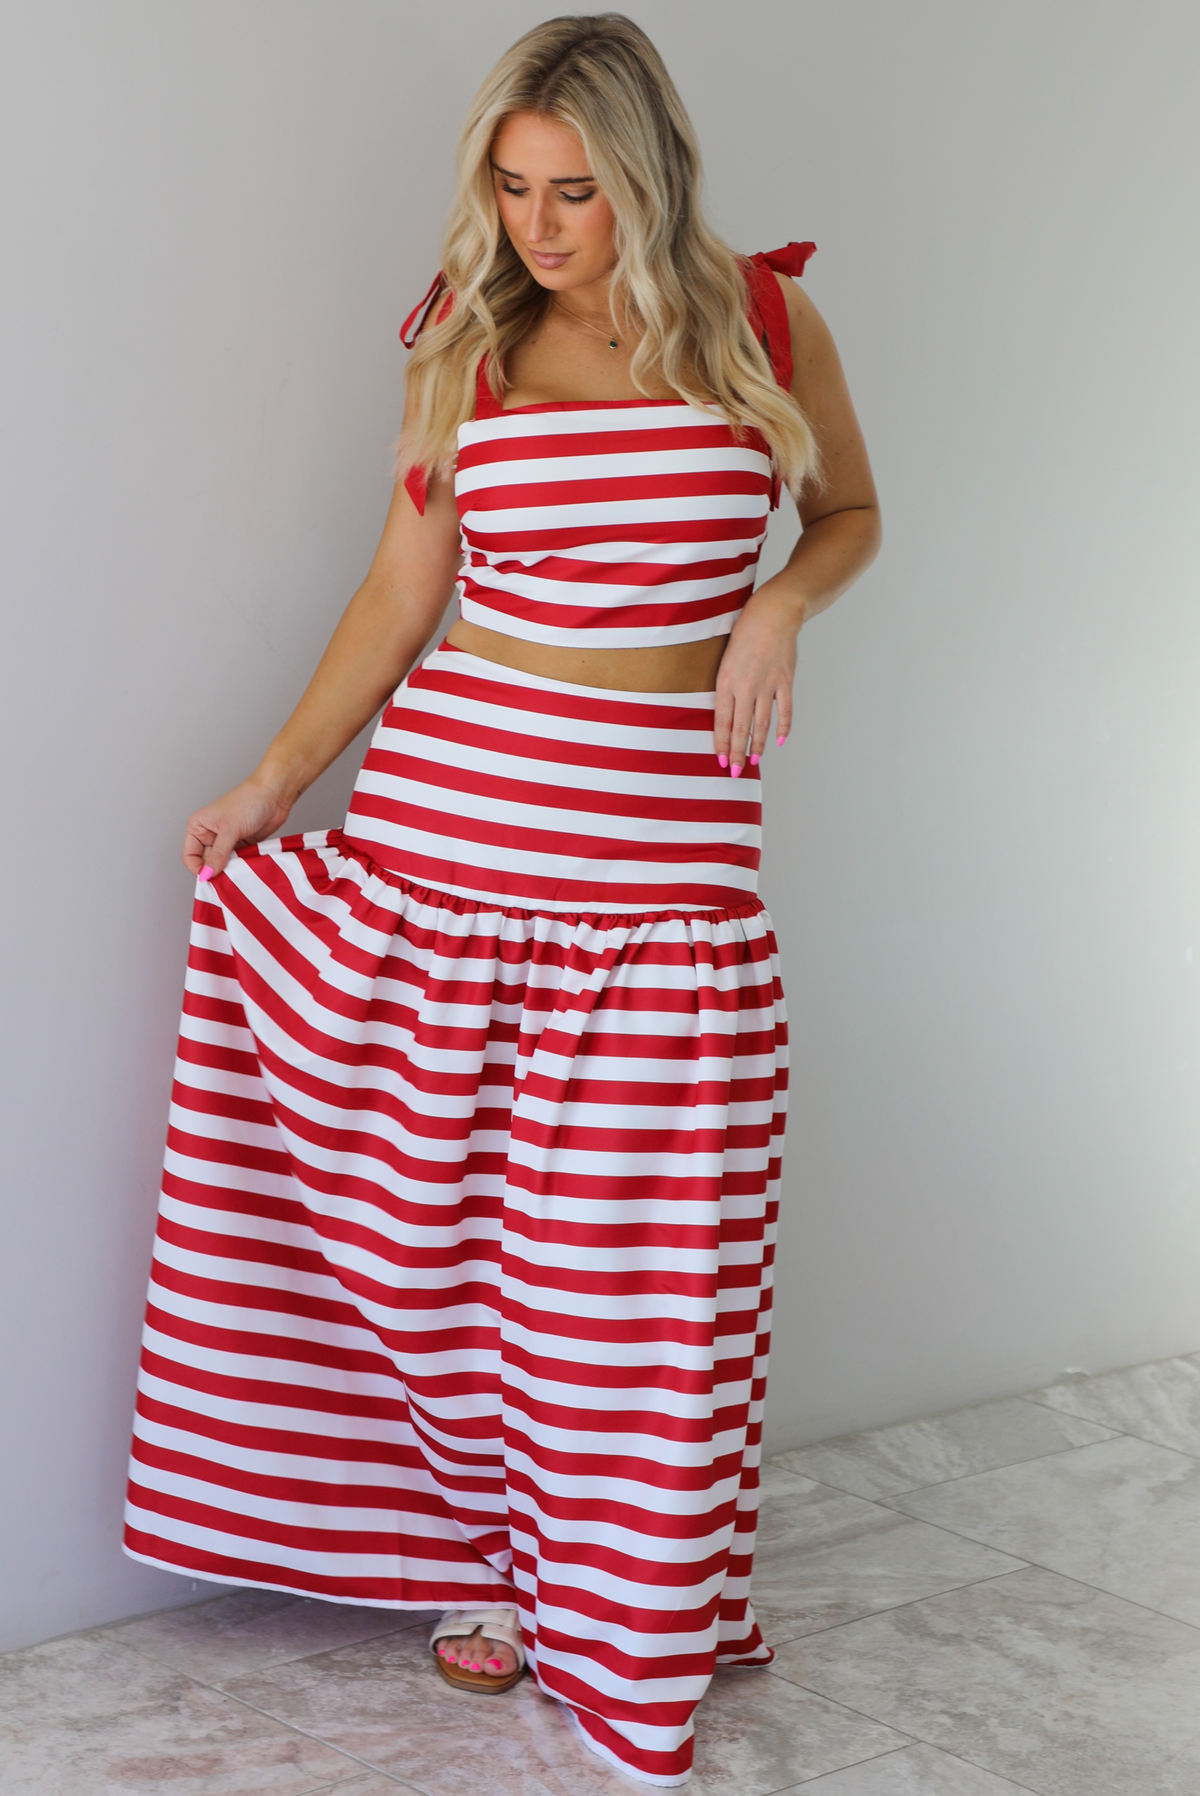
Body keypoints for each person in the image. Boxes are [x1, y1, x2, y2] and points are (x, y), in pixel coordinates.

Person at [123, 12, 879, 1787]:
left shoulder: (766, 321)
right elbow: (402, 596)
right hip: (450, 826)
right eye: (514, 188)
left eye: (578, 192)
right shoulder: (463, 339)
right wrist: (272, 782)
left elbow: (847, 511)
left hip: (662, 859)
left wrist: (774, 605)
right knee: (451, 1248)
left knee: (635, 1269)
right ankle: (495, 1564)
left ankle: (636, 1597)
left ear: (651, 175)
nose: (541, 228)